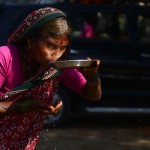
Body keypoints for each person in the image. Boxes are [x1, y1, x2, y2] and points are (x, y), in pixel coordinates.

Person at [0, 7, 102, 149]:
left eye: (63, 48)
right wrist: (29, 104)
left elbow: (93, 95)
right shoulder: (4, 58)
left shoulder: (55, 68)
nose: (56, 55)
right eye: (50, 46)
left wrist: (92, 77)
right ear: (30, 40)